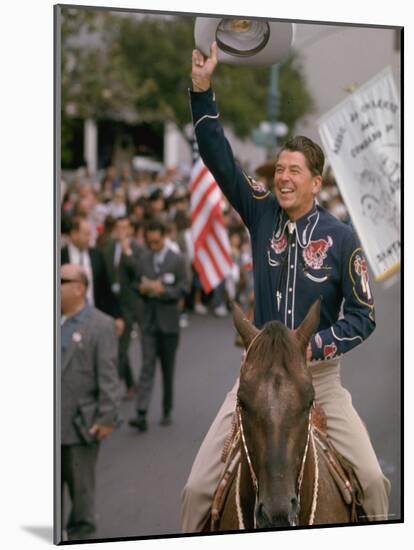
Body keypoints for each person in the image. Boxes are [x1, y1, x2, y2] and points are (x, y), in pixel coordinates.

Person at [181, 42, 390, 532]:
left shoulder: (343, 240)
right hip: (254, 380)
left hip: (319, 382)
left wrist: (312, 346)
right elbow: (219, 156)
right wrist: (201, 88)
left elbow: (365, 315)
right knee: (194, 492)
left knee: (375, 482)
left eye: (295, 170)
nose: (283, 176)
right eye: (279, 169)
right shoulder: (260, 211)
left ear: (316, 181)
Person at [60, 264, 121, 541]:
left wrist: (106, 418)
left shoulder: (101, 325)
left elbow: (109, 377)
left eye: (61, 280)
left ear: (79, 288)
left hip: (78, 428)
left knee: (81, 504)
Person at [129, 219, 188, 431]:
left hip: (169, 323)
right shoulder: (143, 259)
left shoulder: (177, 260)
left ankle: (166, 409)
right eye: (150, 242)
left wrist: (165, 292)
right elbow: (135, 283)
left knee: (167, 369)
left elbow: (184, 288)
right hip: (149, 322)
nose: (153, 245)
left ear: (163, 237)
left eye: (156, 241)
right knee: (146, 367)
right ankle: (141, 413)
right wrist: (142, 288)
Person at [103, 216, 144, 398]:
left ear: (130, 230)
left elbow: (138, 272)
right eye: (118, 227)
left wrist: (127, 254)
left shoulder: (136, 249)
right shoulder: (109, 248)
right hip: (113, 304)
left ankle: (111, 389)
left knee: (120, 347)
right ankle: (130, 384)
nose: (121, 231)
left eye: (125, 228)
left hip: (130, 306)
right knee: (119, 346)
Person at [61, 216, 124, 334]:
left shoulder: (97, 256)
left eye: (90, 234)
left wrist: (117, 315)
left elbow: (106, 288)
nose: (89, 238)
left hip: (94, 317)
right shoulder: (60, 256)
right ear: (73, 234)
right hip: (66, 319)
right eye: (85, 234)